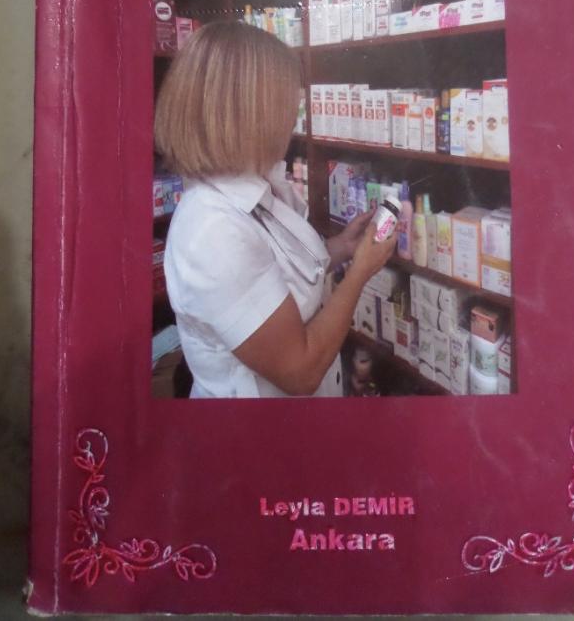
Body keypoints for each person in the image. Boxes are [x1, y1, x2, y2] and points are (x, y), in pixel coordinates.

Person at [154, 20, 396, 398]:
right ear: (247, 114)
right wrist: (360, 271)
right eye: (286, 106)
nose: (292, 119)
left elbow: (280, 272)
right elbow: (300, 371)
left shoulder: (255, 182)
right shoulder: (212, 233)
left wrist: (343, 248)